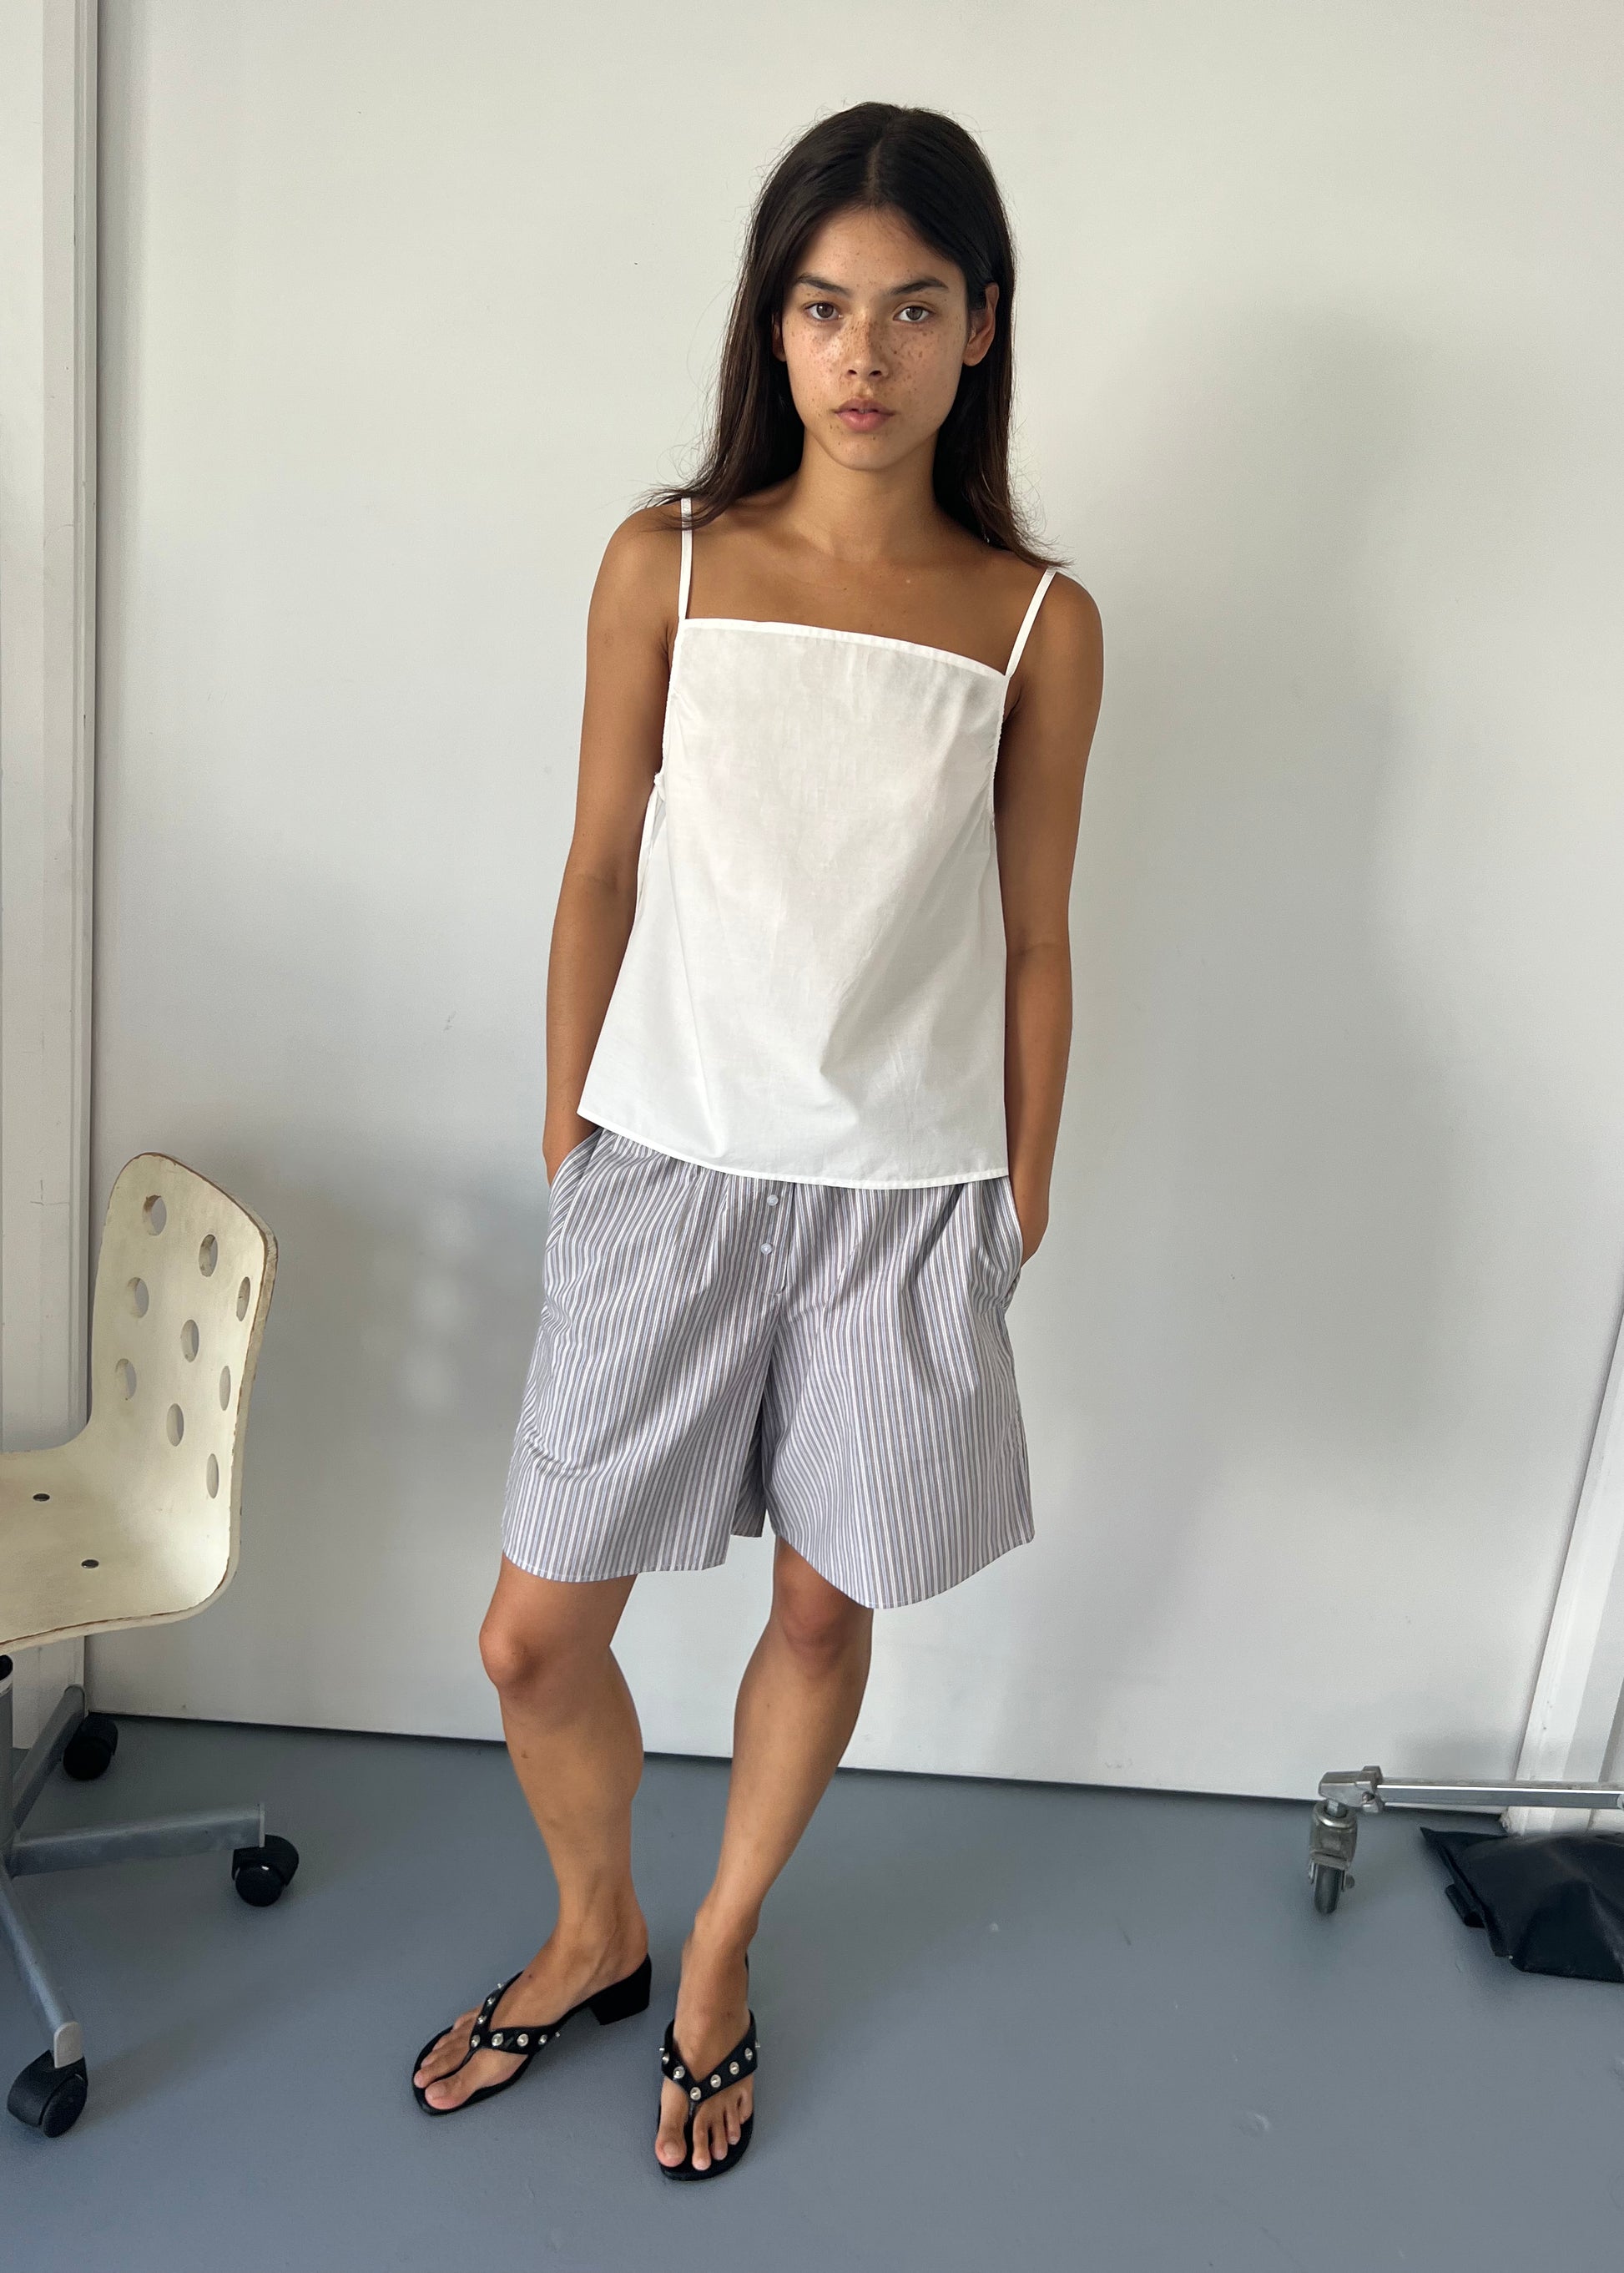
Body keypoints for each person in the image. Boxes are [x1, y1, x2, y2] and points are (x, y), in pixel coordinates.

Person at [411, 98, 1104, 2178]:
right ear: (773, 327)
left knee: (819, 1614)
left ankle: (710, 1956)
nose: (862, 351)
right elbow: (599, 867)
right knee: (535, 1634)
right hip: (666, 1172)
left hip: (907, 1205)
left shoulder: (1031, 622)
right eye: (821, 306)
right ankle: (592, 1923)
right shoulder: (674, 565)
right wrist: (574, 1140)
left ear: (980, 327)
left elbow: (1041, 933)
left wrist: (1017, 1198)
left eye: (910, 305)